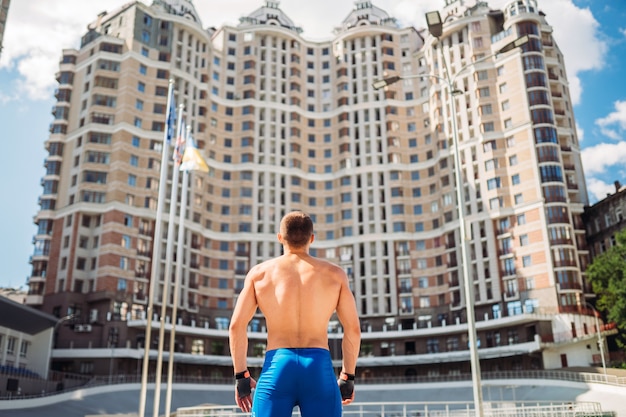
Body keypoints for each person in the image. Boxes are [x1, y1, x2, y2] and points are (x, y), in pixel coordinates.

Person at [229, 210, 361, 417]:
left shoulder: (259, 274)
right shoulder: (335, 275)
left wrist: (241, 376)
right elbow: (353, 329)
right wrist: (348, 376)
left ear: (280, 238)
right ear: (312, 238)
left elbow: (236, 326)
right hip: (318, 369)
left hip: (277, 367)